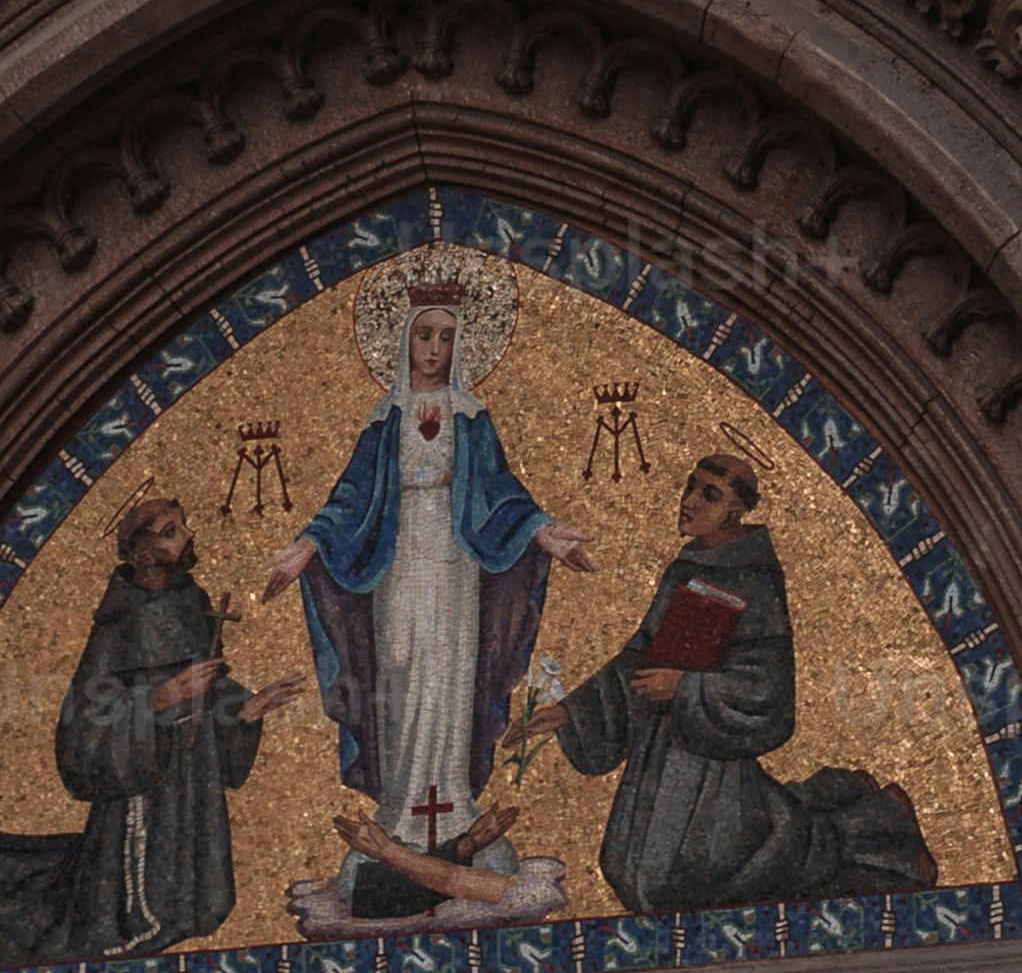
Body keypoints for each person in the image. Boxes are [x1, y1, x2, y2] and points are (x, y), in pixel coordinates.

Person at [263, 266, 589, 862]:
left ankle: (452, 799)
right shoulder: (384, 419)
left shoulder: (471, 416)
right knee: (399, 665)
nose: (435, 349)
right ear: (405, 340)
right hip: (397, 560)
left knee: (450, 670)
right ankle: (400, 805)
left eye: (446, 337)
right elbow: (350, 498)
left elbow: (501, 493)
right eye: (424, 335)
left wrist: (546, 534)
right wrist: (306, 546)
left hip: (455, 562)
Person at [0, 497, 299, 969]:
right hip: (141, 785)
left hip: (192, 776)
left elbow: (210, 691)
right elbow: (85, 718)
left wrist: (250, 709)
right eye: (171, 531)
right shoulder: (120, 620)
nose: (188, 535)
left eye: (182, 525)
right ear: (141, 552)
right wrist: (159, 699)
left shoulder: (191, 603)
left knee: (205, 907)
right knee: (128, 921)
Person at [543, 446, 931, 914]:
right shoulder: (686, 567)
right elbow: (642, 654)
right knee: (624, 869)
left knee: (681, 878)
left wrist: (685, 688)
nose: (690, 500)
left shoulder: (754, 577)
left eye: (709, 494)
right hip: (660, 748)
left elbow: (769, 685)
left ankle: (876, 822)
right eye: (691, 486)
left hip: (710, 750)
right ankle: (830, 799)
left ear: (735, 511)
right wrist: (574, 711)